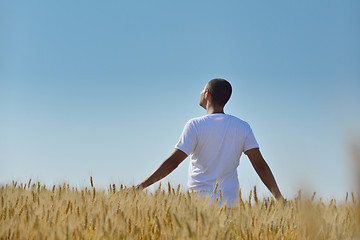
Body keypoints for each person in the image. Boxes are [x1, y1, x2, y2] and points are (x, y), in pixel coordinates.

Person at [135, 78, 283, 206]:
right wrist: (280, 199)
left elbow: (172, 163)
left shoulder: (194, 125)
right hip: (230, 205)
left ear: (207, 94)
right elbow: (260, 166)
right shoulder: (243, 127)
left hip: (198, 205)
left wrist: (140, 187)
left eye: (202, 90)